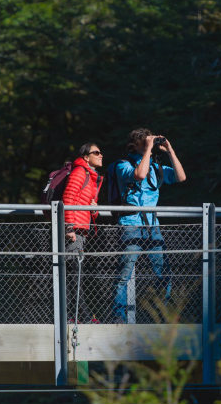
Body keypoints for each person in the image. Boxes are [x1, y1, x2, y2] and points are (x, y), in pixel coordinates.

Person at [112, 128, 186, 323]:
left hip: (153, 227)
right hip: (131, 224)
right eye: (144, 143)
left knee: (164, 273)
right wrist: (148, 149)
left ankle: (164, 316)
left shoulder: (155, 167)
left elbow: (181, 177)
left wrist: (170, 150)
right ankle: (119, 319)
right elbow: (139, 175)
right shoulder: (123, 165)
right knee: (124, 275)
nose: (149, 146)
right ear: (133, 146)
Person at [63, 142, 104, 323]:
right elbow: (68, 198)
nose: (101, 155)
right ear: (86, 157)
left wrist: (94, 209)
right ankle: (80, 317)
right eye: (96, 152)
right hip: (74, 231)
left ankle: (78, 316)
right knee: (74, 274)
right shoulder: (80, 172)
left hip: (81, 231)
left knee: (75, 274)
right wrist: (69, 228)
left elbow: (88, 208)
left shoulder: (91, 176)